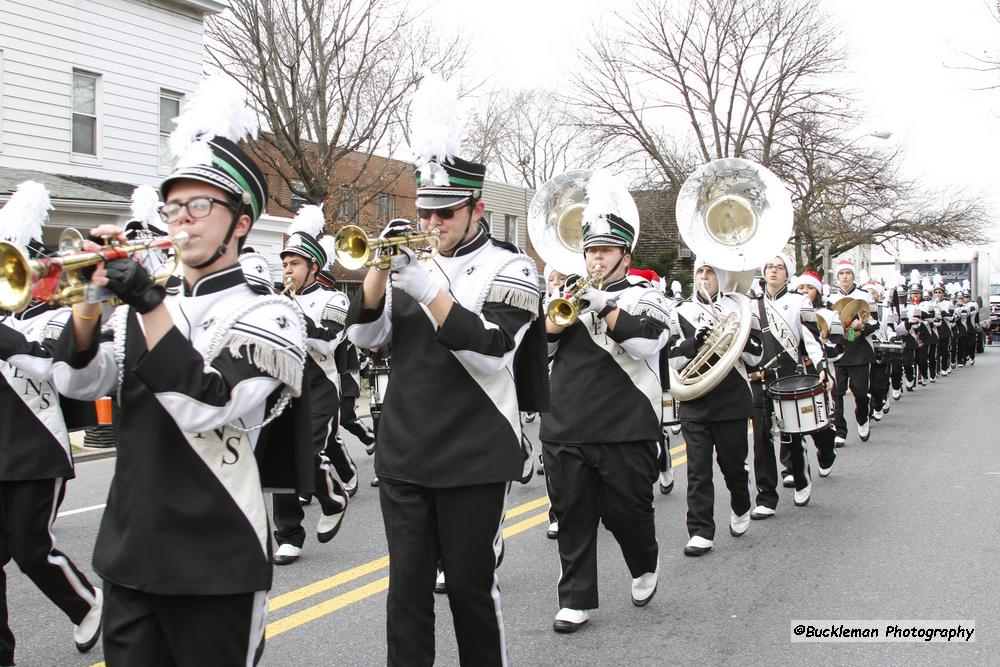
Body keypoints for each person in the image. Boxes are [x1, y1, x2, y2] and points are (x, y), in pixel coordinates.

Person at [51, 80, 309, 665]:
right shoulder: (153, 302)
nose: (182, 221)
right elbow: (76, 382)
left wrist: (147, 304)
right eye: (174, 206)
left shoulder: (270, 313)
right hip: (130, 556)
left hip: (215, 560)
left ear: (240, 223)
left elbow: (206, 405)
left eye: (200, 206)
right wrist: (90, 294)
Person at [345, 77, 545, 663]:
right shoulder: (413, 265)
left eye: (446, 213)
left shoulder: (513, 269)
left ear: (477, 208)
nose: (431, 225)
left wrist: (430, 288)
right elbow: (364, 338)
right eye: (425, 212)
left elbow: (491, 350)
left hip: (474, 450)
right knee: (405, 591)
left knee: (468, 589)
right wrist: (379, 273)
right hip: (406, 448)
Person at [540, 172, 669, 633]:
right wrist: (555, 319)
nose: (596, 258)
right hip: (566, 422)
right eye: (591, 250)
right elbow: (538, 351)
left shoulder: (647, 295)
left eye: (605, 251)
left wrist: (604, 305)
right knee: (572, 514)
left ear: (624, 257)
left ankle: (644, 562)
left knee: (627, 514)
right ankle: (575, 599)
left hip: (625, 423)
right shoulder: (565, 296)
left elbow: (648, 344)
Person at [0, 182, 103, 666]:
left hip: (35, 450)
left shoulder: (53, 318)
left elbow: (57, 370)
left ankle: (86, 602)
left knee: (30, 548)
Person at [272, 205, 351, 566]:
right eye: (285, 264)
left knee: (304, 452)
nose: (287, 270)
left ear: (313, 267)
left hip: (320, 384)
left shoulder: (334, 299)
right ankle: (289, 534)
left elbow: (328, 343)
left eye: (295, 264)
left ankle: (332, 498)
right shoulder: (275, 299)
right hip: (283, 383)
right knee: (279, 459)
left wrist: (291, 309)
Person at [669, 259, 763, 557]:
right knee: (697, 469)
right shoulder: (680, 312)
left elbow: (756, 357)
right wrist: (693, 344)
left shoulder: (741, 309)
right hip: (695, 398)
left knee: (732, 465)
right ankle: (700, 530)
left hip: (731, 398)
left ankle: (740, 502)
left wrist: (735, 336)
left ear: (722, 277)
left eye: (711, 272)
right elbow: (669, 360)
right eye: (701, 271)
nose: (705, 276)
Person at [748, 253, 826, 519]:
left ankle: (801, 480)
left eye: (779, 268)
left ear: (787, 274)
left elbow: (812, 340)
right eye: (769, 266)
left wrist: (822, 367)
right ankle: (766, 496)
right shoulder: (749, 304)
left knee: (792, 434)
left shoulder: (799, 301)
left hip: (791, 376)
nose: (773, 271)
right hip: (760, 379)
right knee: (761, 438)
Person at [795, 270, 841, 478]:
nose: (805, 292)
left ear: (818, 291)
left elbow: (839, 348)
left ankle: (826, 453)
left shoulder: (830, 315)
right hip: (794, 373)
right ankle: (792, 467)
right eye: (801, 288)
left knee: (820, 424)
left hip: (818, 373)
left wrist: (818, 352)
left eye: (809, 288)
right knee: (791, 421)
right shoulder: (790, 310)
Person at [828, 258, 878, 445]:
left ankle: (863, 418)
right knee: (837, 393)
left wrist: (862, 325)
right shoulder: (830, 298)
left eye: (848, 273)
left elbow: (875, 322)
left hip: (859, 350)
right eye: (841, 273)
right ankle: (840, 431)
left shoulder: (865, 295)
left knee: (860, 392)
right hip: (839, 349)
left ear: (853, 275)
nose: (844, 276)